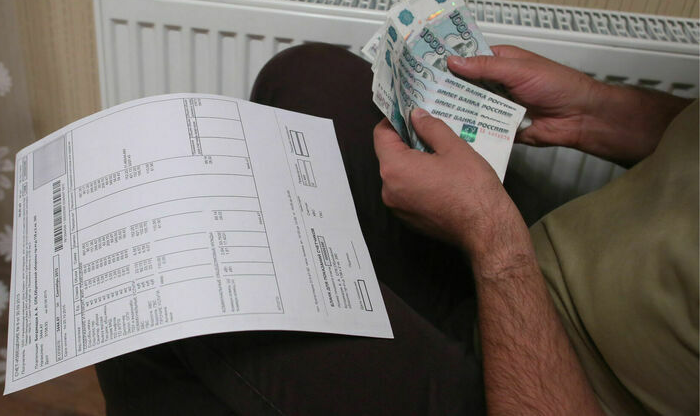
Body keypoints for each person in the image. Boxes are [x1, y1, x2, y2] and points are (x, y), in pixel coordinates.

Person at [96, 43, 698, 416]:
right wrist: (594, 112)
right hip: (523, 283)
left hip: (545, 386)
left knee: (174, 290)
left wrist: (494, 238)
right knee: (308, 75)